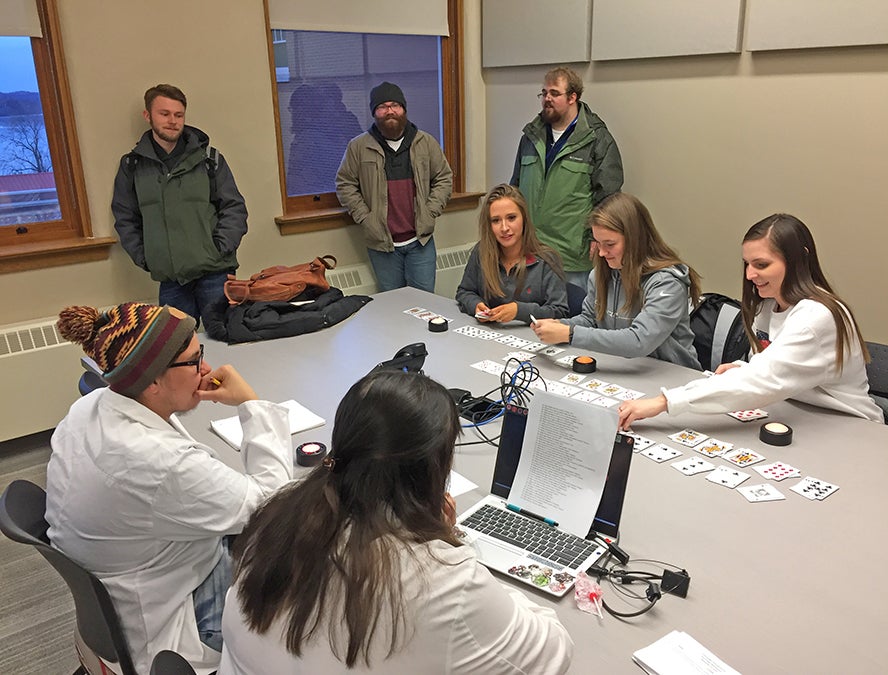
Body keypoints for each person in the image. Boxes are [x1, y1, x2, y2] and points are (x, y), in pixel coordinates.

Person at [219, 370, 573, 674]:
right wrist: (454, 544)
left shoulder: (277, 513)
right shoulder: (442, 580)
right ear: (435, 468)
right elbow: (552, 653)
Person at [45, 302, 295, 675]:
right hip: (171, 624)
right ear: (152, 381)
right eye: (195, 360)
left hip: (132, 588)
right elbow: (276, 507)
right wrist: (251, 405)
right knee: (306, 556)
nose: (207, 370)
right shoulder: (159, 463)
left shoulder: (91, 407)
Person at [618, 214, 884, 428]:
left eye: (762, 264)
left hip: (850, 428)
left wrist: (664, 402)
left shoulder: (816, 317)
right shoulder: (768, 305)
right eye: (747, 264)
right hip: (795, 413)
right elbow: (769, 366)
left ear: (799, 259)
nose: (750, 274)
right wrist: (741, 367)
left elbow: (764, 380)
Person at [112, 84, 248, 325]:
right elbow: (125, 218)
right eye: (164, 114)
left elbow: (234, 207)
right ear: (148, 116)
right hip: (171, 280)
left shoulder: (209, 159)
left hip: (215, 273)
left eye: (178, 115)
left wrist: (220, 247)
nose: (172, 121)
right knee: (177, 350)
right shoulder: (133, 166)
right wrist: (147, 257)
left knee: (228, 338)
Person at [531, 192, 702, 369]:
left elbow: (639, 340)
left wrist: (569, 334)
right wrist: (559, 325)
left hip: (673, 375)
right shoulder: (600, 273)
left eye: (610, 244)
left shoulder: (667, 283)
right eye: (598, 243)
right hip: (624, 367)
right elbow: (590, 320)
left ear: (635, 239)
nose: (602, 253)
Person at [510, 66, 623, 291]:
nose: (546, 99)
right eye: (544, 93)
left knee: (571, 320)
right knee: (532, 317)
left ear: (573, 97)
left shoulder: (596, 138)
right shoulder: (531, 137)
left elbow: (609, 197)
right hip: (532, 249)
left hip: (572, 256)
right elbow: (515, 186)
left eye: (554, 93)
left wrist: (596, 236)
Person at [336, 82, 453, 293]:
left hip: (420, 242)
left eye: (395, 105)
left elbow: (444, 177)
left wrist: (430, 211)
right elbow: (345, 184)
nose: (390, 110)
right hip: (383, 245)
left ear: (404, 110)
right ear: (374, 112)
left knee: (426, 304)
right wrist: (365, 217)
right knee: (393, 305)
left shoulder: (425, 142)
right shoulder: (359, 147)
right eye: (382, 106)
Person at [455, 184, 568, 324]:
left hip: (533, 338)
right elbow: (465, 292)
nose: (504, 228)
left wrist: (519, 311)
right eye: (496, 220)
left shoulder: (548, 259)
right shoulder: (481, 251)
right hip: (491, 335)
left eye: (511, 218)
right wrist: (475, 305)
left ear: (524, 219)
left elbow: (559, 311)